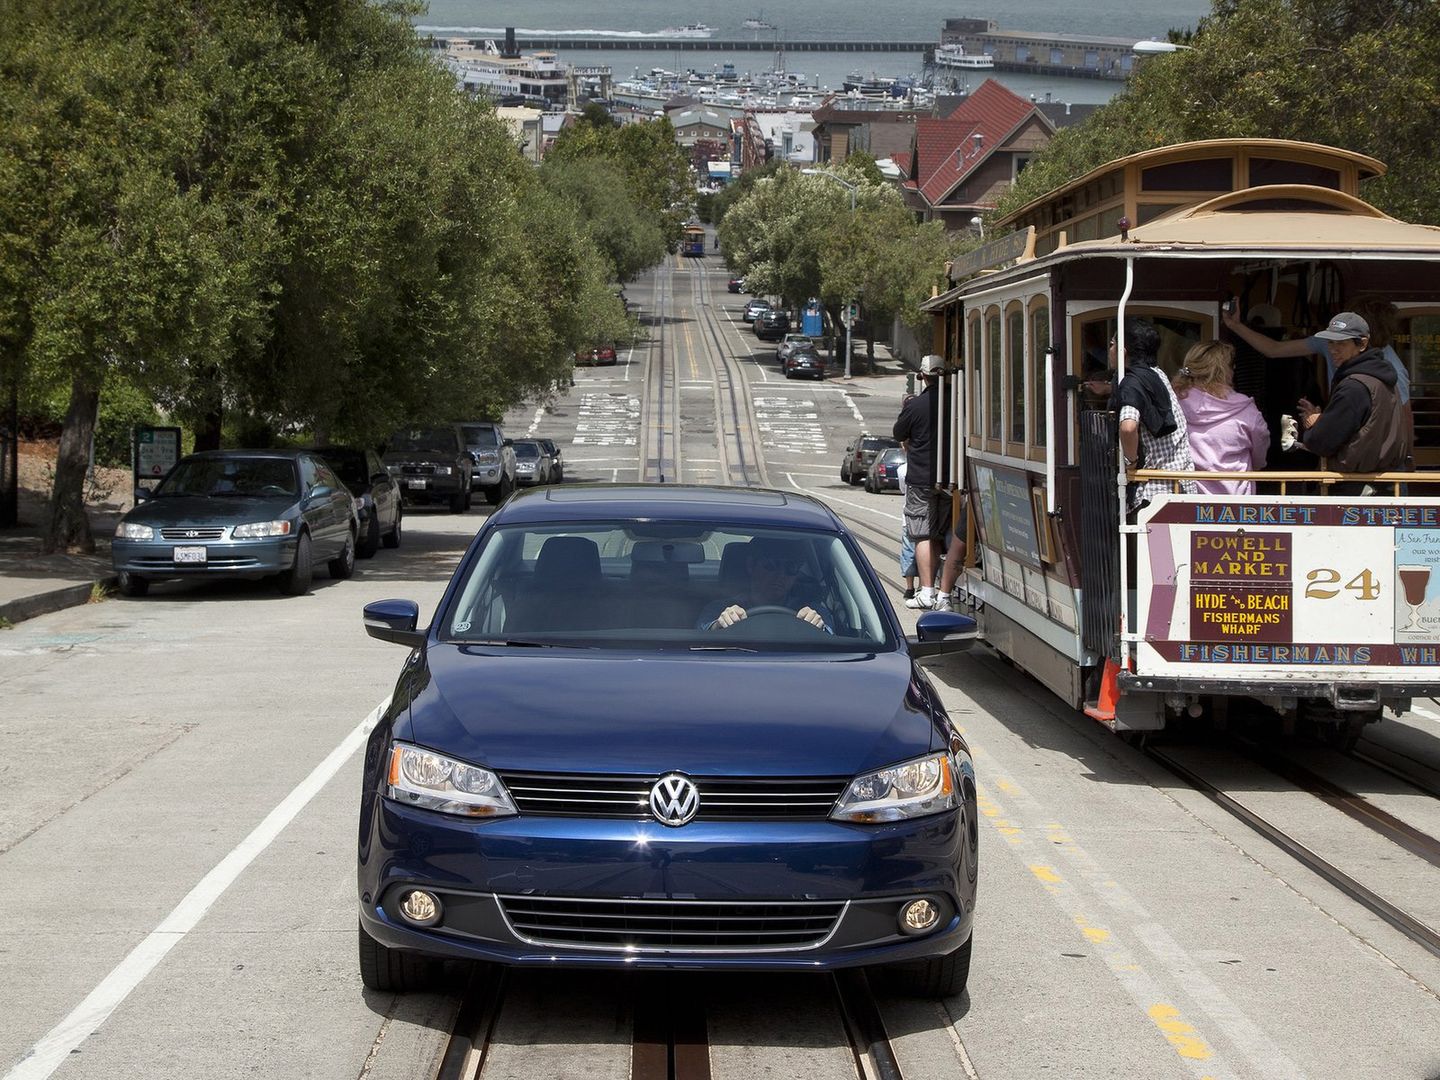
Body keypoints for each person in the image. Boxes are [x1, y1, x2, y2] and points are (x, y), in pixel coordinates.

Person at [1292, 312, 1411, 491]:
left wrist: (1314, 423)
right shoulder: (1381, 379)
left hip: (1357, 487)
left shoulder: (1354, 387)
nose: (1333, 349)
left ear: (1362, 344)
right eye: (1331, 342)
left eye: (1341, 343)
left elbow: (1321, 442)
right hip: (1383, 484)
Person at [1112, 319, 1198, 510]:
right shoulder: (1158, 375)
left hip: (1154, 496)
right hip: (1182, 486)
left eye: (1112, 344)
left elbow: (1128, 427)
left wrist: (1130, 462)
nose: (1110, 349)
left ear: (1122, 351)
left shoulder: (1132, 383)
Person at [1173, 340, 1270, 494]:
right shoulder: (1245, 408)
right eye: (1232, 365)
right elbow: (1260, 449)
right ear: (1225, 371)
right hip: (1237, 501)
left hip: (1190, 500)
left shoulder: (1175, 402)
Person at [894, 355, 946, 609]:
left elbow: (898, 433)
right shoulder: (956, 402)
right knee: (938, 535)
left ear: (923, 377)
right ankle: (941, 591)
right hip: (950, 478)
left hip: (921, 479)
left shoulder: (916, 406)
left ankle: (927, 591)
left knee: (922, 534)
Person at [698, 538, 834, 632]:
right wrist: (718, 625)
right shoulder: (720, 609)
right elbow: (703, 631)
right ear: (751, 566)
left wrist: (818, 627)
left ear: (797, 574)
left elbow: (831, 637)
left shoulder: (813, 611)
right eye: (771, 565)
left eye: (790, 568)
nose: (780, 575)